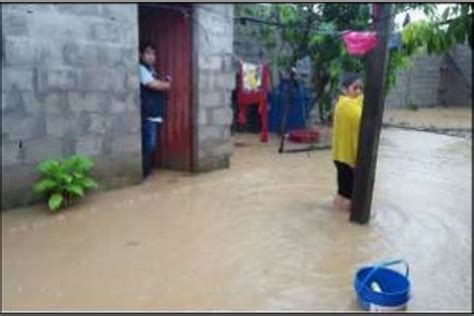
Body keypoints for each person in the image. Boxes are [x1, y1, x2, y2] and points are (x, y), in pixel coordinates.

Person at [331, 73, 363, 212]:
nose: (358, 91)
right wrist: (356, 161)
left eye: (361, 88)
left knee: (342, 192)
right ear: (345, 90)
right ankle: (344, 226)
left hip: (339, 156)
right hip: (348, 158)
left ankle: (335, 218)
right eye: (355, 88)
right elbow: (358, 126)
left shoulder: (341, 103)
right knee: (349, 197)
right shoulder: (349, 106)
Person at [139, 41, 171, 177]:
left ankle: (148, 173)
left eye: (153, 53)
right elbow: (153, 85)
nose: (151, 56)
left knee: (151, 146)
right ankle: (144, 174)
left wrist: (163, 82)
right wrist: (167, 84)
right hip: (147, 115)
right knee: (149, 145)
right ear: (140, 55)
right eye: (148, 53)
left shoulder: (151, 70)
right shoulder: (140, 69)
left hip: (154, 114)